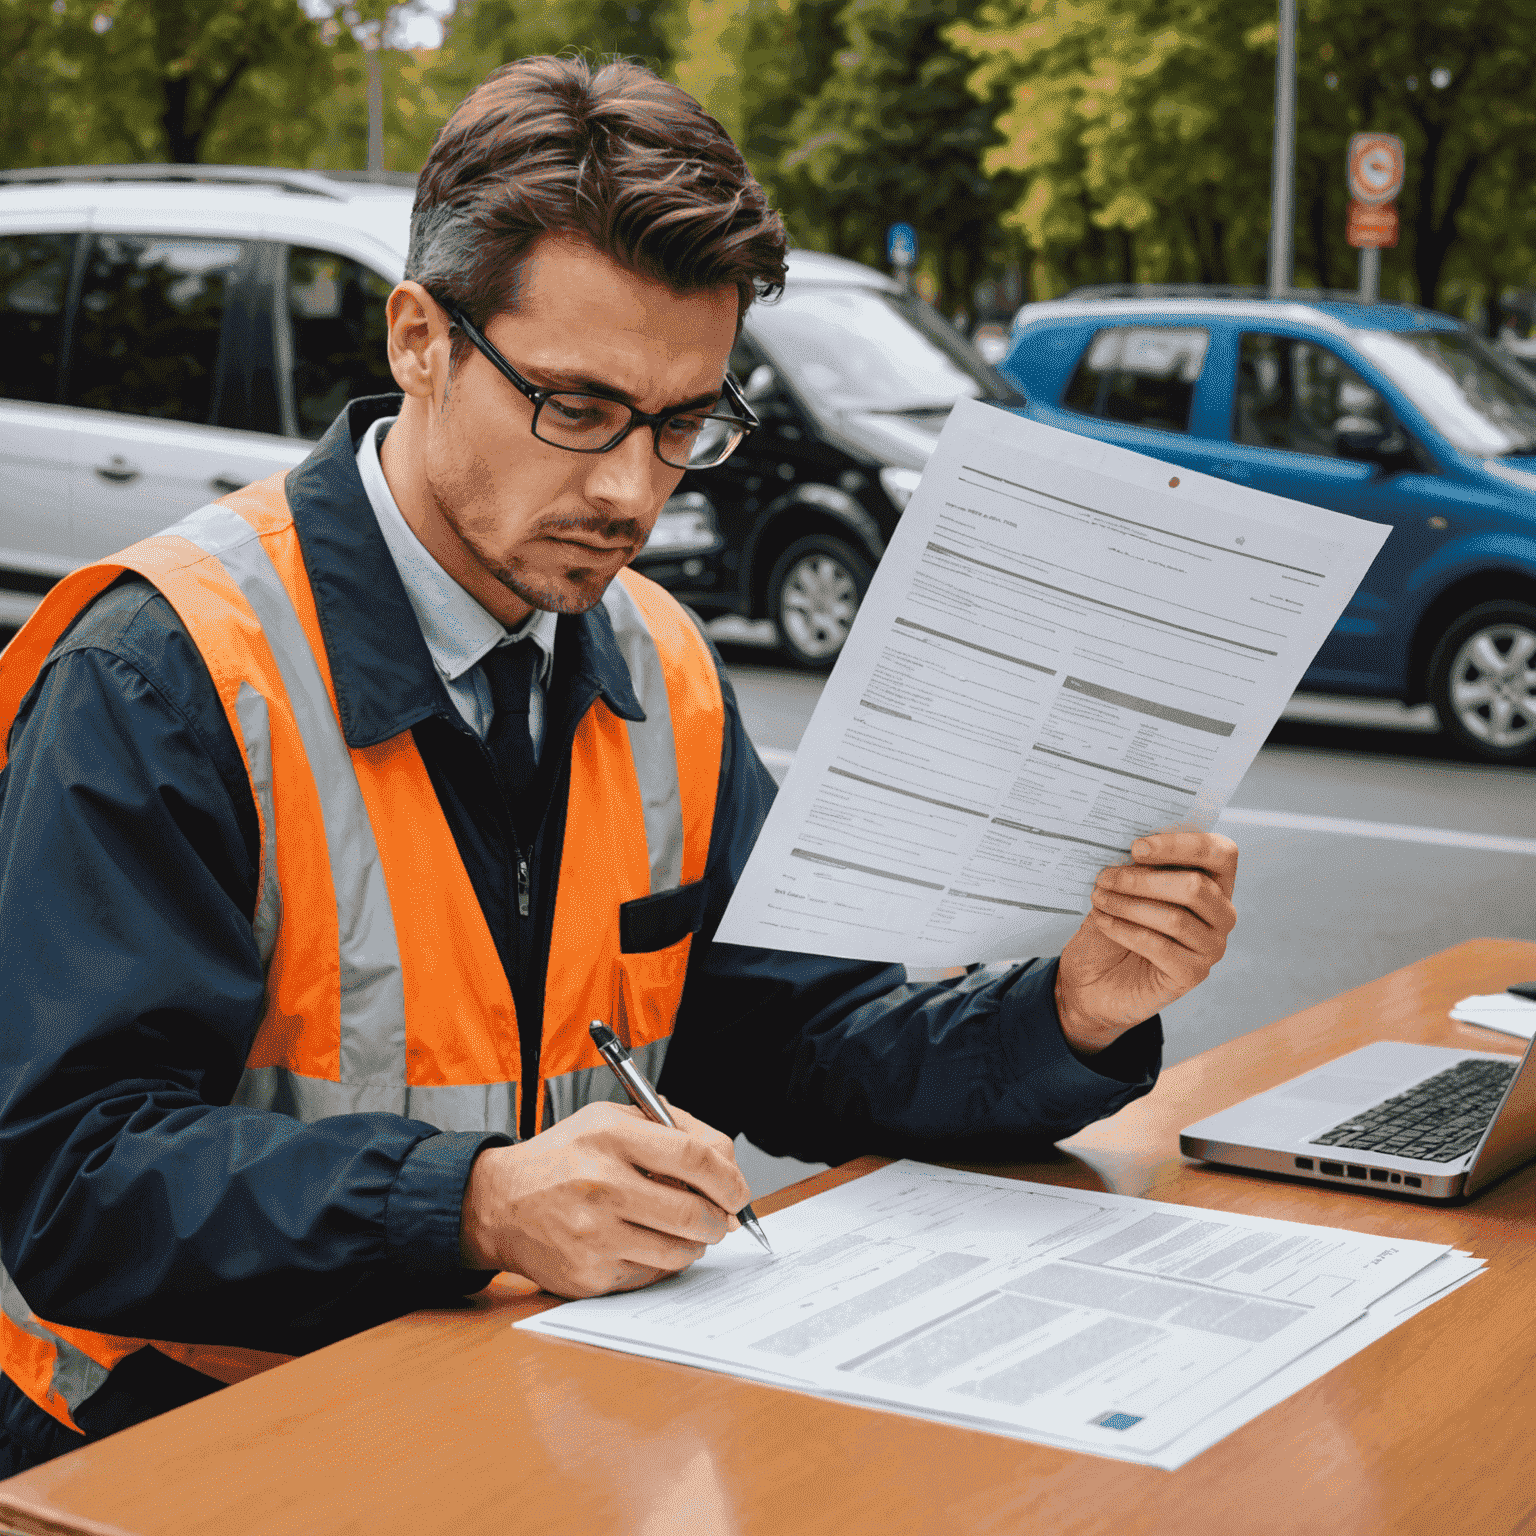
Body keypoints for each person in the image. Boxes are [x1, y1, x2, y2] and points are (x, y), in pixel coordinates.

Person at [0, 56, 1238, 1473]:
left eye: (682, 425)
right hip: (164, 1444)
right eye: (577, 408)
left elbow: (796, 1041)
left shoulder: (657, 660)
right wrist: (472, 1204)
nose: (632, 490)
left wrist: (1071, 1013)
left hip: (497, 1414)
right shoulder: (159, 670)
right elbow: (67, 1175)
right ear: (419, 338)